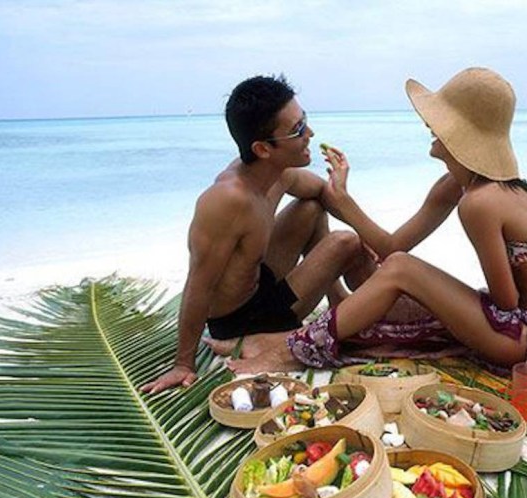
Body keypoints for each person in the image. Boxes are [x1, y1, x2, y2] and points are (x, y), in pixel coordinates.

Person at [229, 67, 527, 374]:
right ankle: (282, 339)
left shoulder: (480, 203)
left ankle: (288, 351)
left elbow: (506, 303)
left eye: (438, 123)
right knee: (388, 278)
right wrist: (343, 201)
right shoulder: (459, 184)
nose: (429, 126)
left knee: (403, 272)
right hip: (516, 327)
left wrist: (435, 296)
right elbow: (392, 247)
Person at [140, 75, 373, 394]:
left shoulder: (278, 171)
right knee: (346, 242)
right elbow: (199, 283)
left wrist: (371, 234)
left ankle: (337, 301)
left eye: (304, 121)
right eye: (297, 130)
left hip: (260, 284)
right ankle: (253, 340)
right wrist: (184, 363)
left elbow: (322, 191)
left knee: (311, 208)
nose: (310, 134)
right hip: (242, 318)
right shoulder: (227, 199)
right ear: (263, 148)